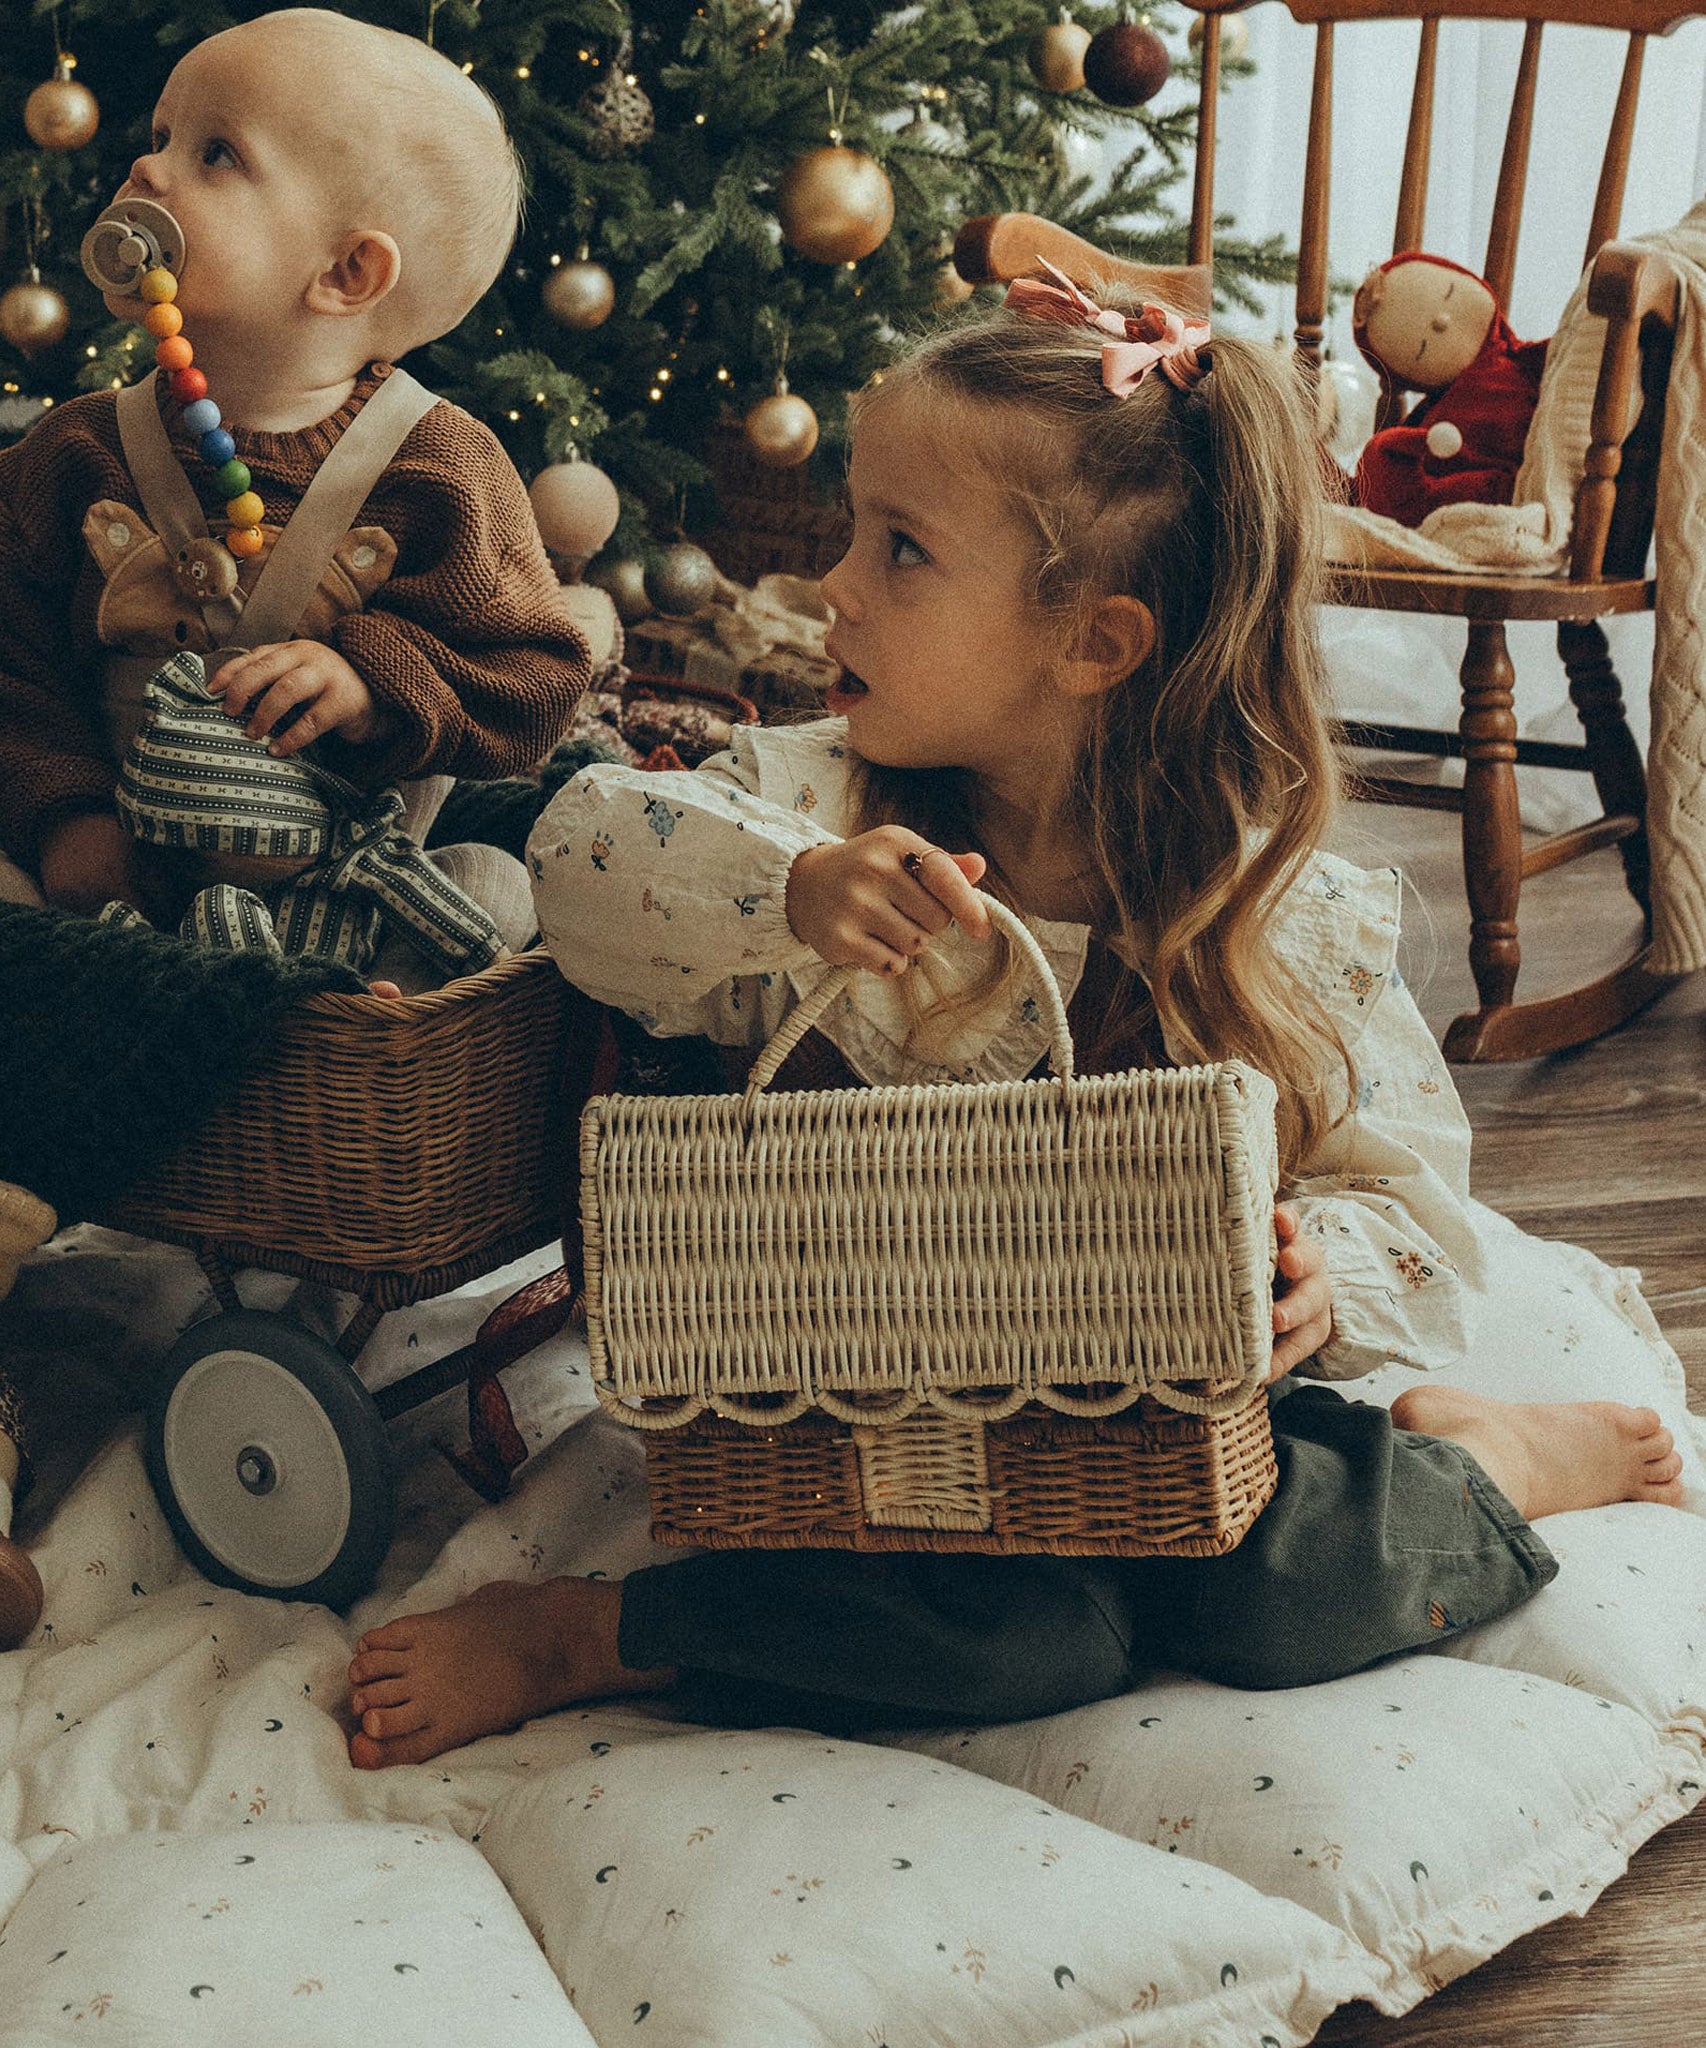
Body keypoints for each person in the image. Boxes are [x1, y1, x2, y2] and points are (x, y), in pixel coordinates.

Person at [344, 271, 1687, 1769]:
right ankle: (595, 1634)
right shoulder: (806, 811)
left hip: (1148, 1422)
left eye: (900, 550)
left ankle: (1476, 1456)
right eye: (855, 528)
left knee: (1292, 1592)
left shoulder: (1263, 914)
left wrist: (1319, 1286)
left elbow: (1412, 1201)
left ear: (1096, 643)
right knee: (1022, 1640)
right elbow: (575, 864)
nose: (833, 584)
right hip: (841, 1410)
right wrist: (784, 897)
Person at [0, 8, 590, 1644]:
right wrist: (60, 822)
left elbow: (536, 677)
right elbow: (19, 677)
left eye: (211, 154)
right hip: (108, 860)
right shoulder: (72, 456)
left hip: (336, 877)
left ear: (347, 276)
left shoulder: (436, 471)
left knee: (489, 885)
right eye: (158, 134)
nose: (143, 165)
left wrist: (371, 677)